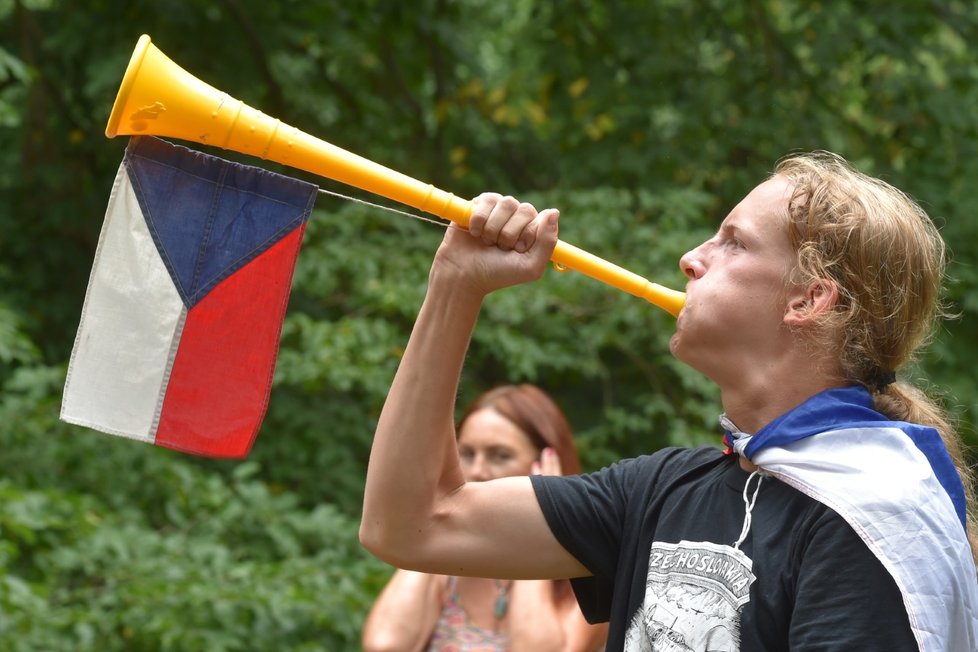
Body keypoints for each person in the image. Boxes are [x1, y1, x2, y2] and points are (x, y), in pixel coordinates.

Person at [360, 151, 978, 650]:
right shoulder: (661, 489)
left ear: (808, 301)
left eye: (732, 242)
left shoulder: (870, 520)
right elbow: (411, 522)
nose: (690, 260)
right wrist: (454, 286)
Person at [362, 384, 609, 652]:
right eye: (466, 455)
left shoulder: (590, 572)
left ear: (547, 467)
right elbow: (384, 644)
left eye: (500, 455)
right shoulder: (449, 569)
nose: (477, 471)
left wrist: (547, 513)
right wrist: (433, 523)